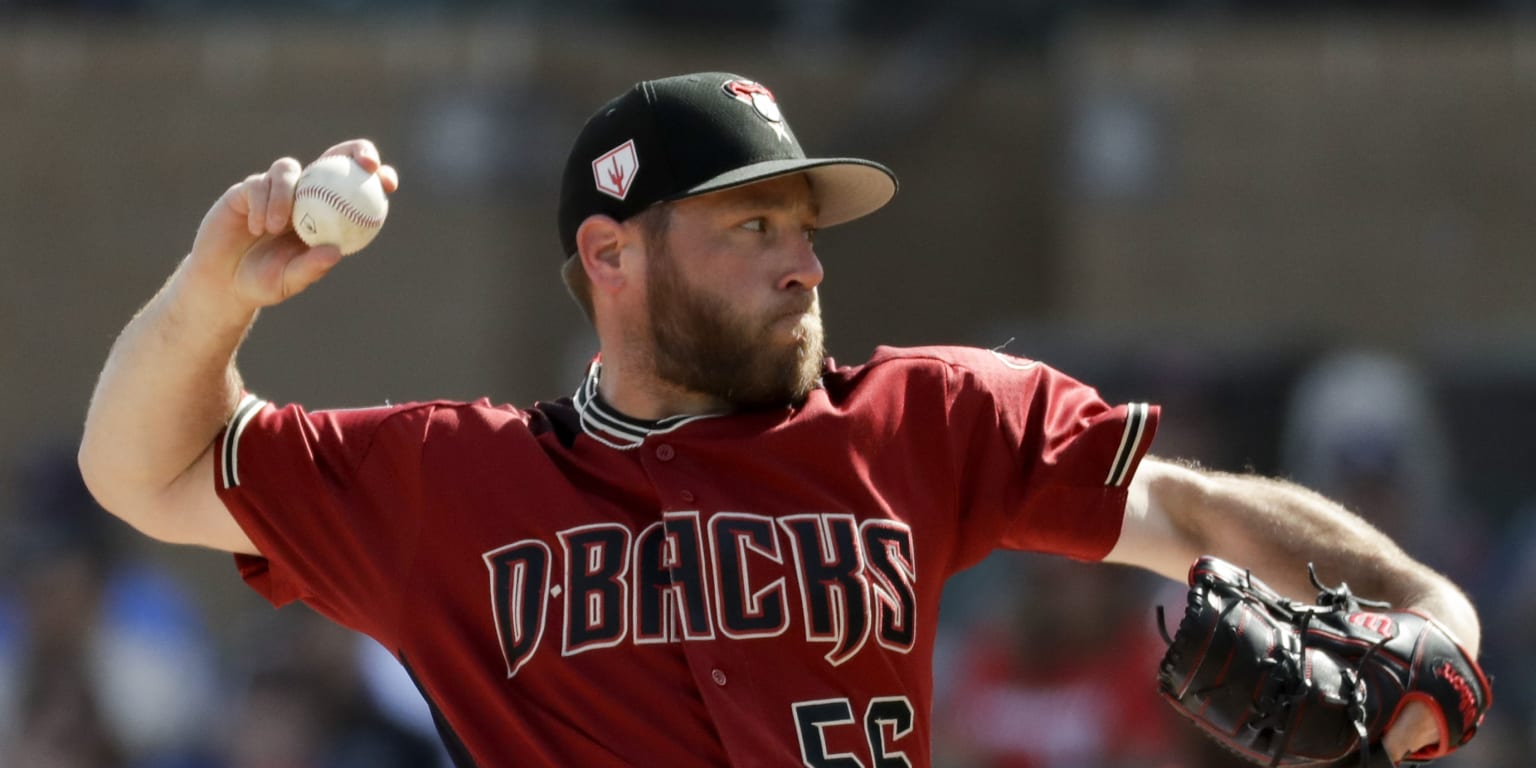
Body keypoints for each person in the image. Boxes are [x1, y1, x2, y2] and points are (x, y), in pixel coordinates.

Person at [78, 72, 1480, 767]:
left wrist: (1430, 619)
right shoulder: (453, 480)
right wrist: (216, 290)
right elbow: (137, 471)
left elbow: (1186, 513)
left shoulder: (921, 421)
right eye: (752, 225)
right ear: (614, 257)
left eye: (802, 226)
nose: (802, 260)